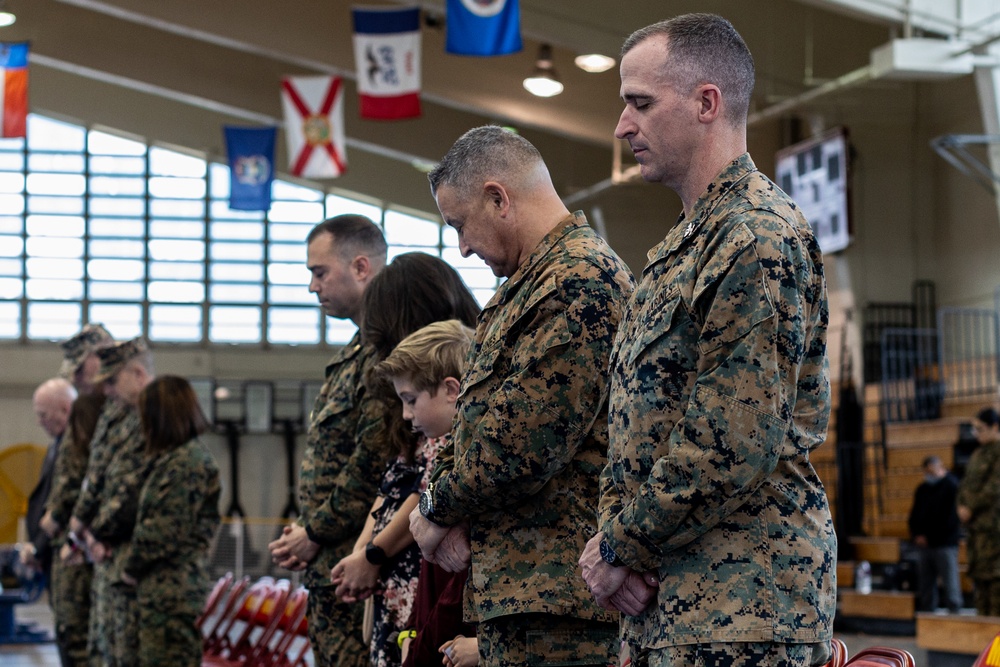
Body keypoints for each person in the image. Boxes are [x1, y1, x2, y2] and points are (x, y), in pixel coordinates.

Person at [579, 14, 836, 667]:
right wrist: (615, 543)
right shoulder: (679, 249)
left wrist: (619, 547)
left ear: (706, 103)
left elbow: (731, 440)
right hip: (673, 602)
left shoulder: (754, 235)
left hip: (744, 603)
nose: (622, 126)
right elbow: (635, 424)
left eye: (640, 103)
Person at [410, 125, 635, 667]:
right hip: (526, 595)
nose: (461, 247)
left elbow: (520, 446)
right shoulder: (527, 286)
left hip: (561, 602)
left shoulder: (578, 281)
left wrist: (436, 508)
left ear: (497, 197)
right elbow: (472, 429)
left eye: (460, 225)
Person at [330, 255, 480, 667]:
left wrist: (373, 555)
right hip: (392, 574)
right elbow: (393, 485)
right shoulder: (423, 402)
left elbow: (424, 493)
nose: (407, 414)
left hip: (418, 574)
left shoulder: (452, 416)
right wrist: (365, 551)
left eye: (410, 401)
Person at [267, 214, 393, 667]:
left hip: (358, 564)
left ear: (361, 268)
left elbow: (373, 461)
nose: (312, 287)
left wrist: (314, 532)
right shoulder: (358, 350)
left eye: (319, 273)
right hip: (331, 565)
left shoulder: (387, 352)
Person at [119, 375, 221, 667]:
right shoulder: (173, 458)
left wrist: (131, 568)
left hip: (172, 592)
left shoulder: (185, 462)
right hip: (162, 590)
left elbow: (163, 530)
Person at [76, 336, 155, 666]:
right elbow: (101, 479)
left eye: (112, 381)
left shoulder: (155, 418)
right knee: (108, 651)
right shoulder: (118, 414)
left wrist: (99, 533)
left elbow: (134, 490)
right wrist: (92, 532)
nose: (105, 390)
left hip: (137, 559)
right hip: (111, 551)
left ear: (137, 374)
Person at [43, 322, 114, 667]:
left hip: (91, 541)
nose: (74, 379)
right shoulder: (87, 406)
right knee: (73, 634)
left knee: (86, 641)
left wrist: (67, 524)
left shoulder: (108, 409)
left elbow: (91, 478)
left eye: (77, 368)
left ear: (96, 359)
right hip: (78, 538)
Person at [21, 378, 77, 581]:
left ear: (65, 409)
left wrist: (38, 547)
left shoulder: (75, 449)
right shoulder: (55, 446)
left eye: (43, 415)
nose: (39, 421)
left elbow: (62, 504)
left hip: (65, 555)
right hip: (49, 554)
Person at [957, 407, 1000, 616]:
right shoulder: (977, 454)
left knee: (995, 586)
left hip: (994, 529)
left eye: (980, 429)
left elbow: (994, 487)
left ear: (995, 427)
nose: (976, 434)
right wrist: (961, 506)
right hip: (977, 531)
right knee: (980, 588)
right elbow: (965, 485)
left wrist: (970, 507)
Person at [908, 455, 963, 613]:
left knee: (950, 581)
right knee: (926, 584)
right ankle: (928, 615)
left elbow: (950, 519)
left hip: (945, 543)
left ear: (940, 468)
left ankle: (955, 613)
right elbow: (914, 516)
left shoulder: (952, 486)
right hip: (924, 545)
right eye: (927, 472)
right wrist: (917, 535)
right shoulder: (922, 489)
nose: (929, 476)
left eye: (932, 471)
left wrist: (929, 537)